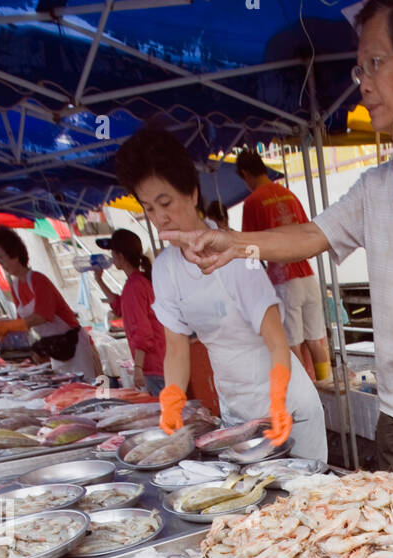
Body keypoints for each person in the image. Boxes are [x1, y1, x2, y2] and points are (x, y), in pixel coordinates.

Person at [166, 0, 393, 473]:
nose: (364, 83)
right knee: (388, 528)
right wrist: (234, 243)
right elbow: (311, 234)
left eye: (376, 63)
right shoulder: (374, 188)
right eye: (359, 69)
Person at [113, 128, 327, 462]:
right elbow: (177, 348)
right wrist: (171, 397)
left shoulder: (235, 254)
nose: (160, 218)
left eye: (165, 203)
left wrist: (278, 398)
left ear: (192, 195)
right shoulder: (166, 268)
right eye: (149, 208)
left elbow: (275, 339)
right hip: (237, 412)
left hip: (285, 405)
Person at [235, 149, 331, 383]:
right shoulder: (289, 194)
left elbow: (251, 249)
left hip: (284, 281)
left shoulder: (252, 202)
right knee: (316, 340)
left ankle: (306, 392)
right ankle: (326, 385)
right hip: (308, 276)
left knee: (292, 344)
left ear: (246, 174)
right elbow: (309, 233)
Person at [0, 226, 101, 381]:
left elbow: (42, 316)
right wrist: (3, 331)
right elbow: (22, 324)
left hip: (77, 347)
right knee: (69, 392)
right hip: (56, 349)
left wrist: (9, 326)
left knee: (89, 388)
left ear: (15, 255)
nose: (0, 264)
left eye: (1, 258)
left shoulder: (38, 280)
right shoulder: (16, 286)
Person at [93, 228, 167, 396]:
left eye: (113, 253)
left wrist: (139, 368)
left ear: (120, 255)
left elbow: (142, 331)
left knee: (168, 416)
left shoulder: (135, 286)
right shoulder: (137, 282)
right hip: (159, 363)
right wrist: (99, 280)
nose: (111, 257)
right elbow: (119, 306)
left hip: (154, 365)